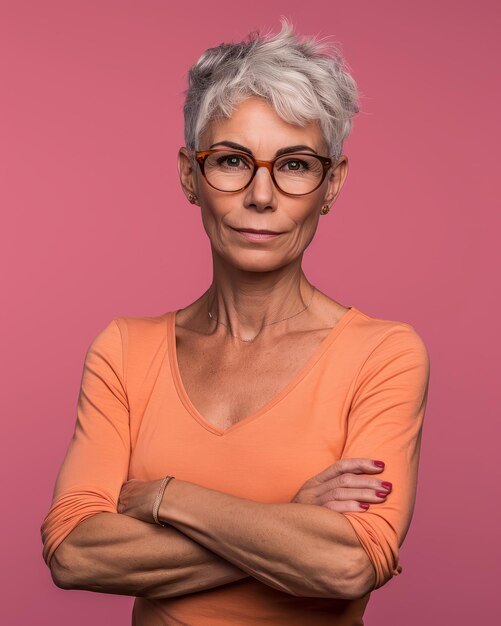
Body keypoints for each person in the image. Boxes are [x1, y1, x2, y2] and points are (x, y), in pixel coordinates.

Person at [41, 18, 430, 626]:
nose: (261, 195)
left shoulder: (383, 354)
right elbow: (74, 554)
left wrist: (167, 497)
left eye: (296, 165)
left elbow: (350, 563)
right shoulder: (124, 350)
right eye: (231, 160)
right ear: (189, 175)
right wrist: (289, 517)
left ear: (332, 185)